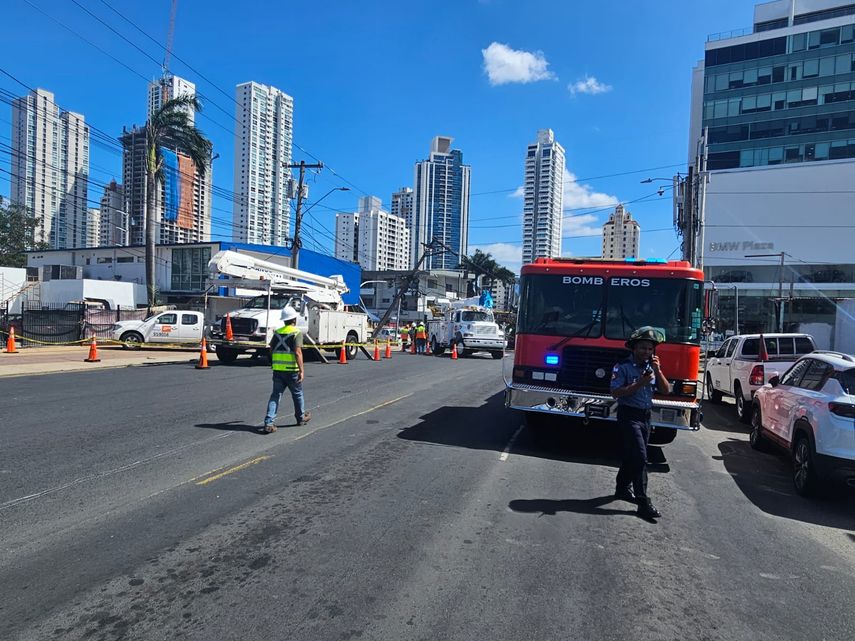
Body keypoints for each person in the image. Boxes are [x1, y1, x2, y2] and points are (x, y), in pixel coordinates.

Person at [610, 326, 670, 519]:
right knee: (641, 457)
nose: (647, 352)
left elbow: (666, 390)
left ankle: (621, 488)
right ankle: (643, 502)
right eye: (643, 347)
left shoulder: (651, 368)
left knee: (633, 455)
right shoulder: (622, 367)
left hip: (646, 416)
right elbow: (615, 392)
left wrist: (658, 370)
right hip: (629, 415)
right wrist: (640, 383)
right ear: (634, 348)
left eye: (650, 349)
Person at [262, 306, 311, 433]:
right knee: (297, 394)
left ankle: (269, 422)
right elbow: (298, 352)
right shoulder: (296, 333)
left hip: (278, 370)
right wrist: (302, 370)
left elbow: (271, 349)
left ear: (284, 320)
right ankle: (300, 418)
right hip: (292, 371)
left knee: (275, 396)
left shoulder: (277, 332)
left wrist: (273, 363)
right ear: (294, 319)